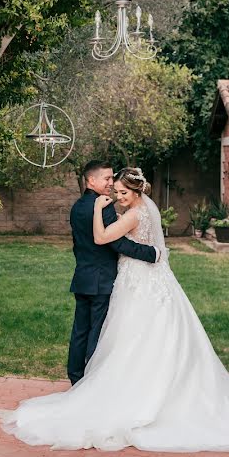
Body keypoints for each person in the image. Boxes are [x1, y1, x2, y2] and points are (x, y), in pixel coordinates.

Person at [2, 167, 229, 452]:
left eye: (121, 191)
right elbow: (137, 244)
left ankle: (127, 392)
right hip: (153, 280)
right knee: (150, 334)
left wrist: (102, 215)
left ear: (135, 190)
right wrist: (155, 252)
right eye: (114, 189)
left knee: (131, 335)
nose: (117, 196)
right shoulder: (148, 210)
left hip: (136, 281)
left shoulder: (127, 214)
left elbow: (104, 238)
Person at [66, 160, 159, 385]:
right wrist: (151, 253)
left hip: (83, 277)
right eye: (107, 179)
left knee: (80, 331)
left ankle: (75, 377)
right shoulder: (104, 205)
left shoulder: (78, 205)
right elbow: (116, 244)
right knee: (97, 333)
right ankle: (91, 383)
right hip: (102, 280)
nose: (110, 183)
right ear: (91, 180)